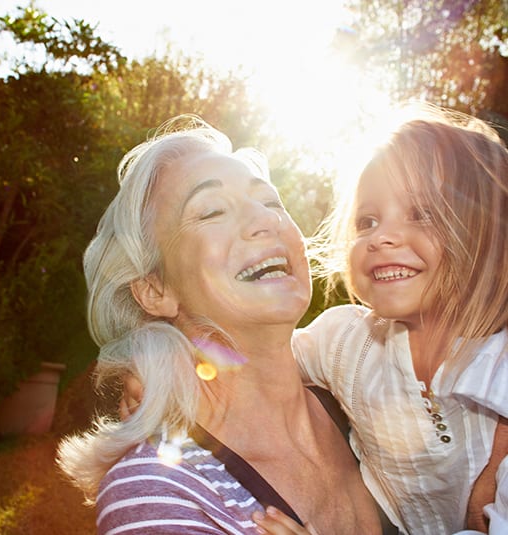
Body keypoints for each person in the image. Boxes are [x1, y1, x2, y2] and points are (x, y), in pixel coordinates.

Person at [56, 115, 389, 534]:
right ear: (155, 289)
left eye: (271, 202)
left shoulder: (370, 399)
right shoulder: (159, 491)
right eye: (211, 211)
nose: (265, 220)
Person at [254, 105, 508, 535]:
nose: (381, 237)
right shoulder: (348, 339)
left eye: (422, 213)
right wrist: (169, 366)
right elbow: (255, 359)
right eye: (367, 221)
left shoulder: (498, 374)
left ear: (487, 236)